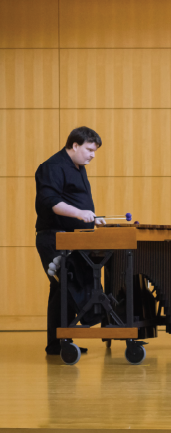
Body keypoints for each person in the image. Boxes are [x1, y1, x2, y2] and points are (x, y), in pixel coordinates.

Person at [35, 126, 107, 356]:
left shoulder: (79, 166)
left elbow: (76, 200)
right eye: (89, 149)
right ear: (74, 145)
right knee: (68, 286)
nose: (93, 155)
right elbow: (50, 201)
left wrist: (92, 219)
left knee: (60, 290)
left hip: (74, 238)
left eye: (95, 150)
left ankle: (59, 344)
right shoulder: (52, 167)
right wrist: (79, 214)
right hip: (54, 238)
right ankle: (63, 340)